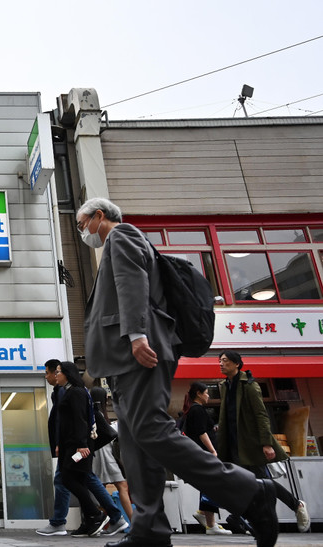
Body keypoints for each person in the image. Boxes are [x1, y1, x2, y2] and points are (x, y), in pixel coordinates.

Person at [77, 196, 279, 547]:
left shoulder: (122, 235)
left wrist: (136, 334)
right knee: (138, 444)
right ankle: (149, 531)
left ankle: (250, 492)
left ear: (98, 216)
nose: (83, 233)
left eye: (82, 225)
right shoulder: (123, 242)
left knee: (150, 431)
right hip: (127, 358)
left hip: (139, 352)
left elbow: (131, 282)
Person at [216, 351, 310, 533]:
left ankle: (296, 505)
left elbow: (261, 415)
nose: (220, 364)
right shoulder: (224, 386)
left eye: (225, 361)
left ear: (237, 364)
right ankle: (244, 518)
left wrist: (266, 443)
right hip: (233, 444)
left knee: (262, 481)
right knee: (243, 483)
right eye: (219, 361)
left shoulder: (250, 386)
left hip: (250, 443)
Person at [54, 361, 127, 538]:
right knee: (77, 478)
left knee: (68, 478)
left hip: (79, 448)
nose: (56, 375)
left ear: (67, 373)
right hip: (72, 445)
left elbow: (80, 419)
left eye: (58, 372)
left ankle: (96, 514)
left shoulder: (76, 393)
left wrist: (81, 444)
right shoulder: (70, 391)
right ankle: (92, 519)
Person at [181, 382, 231, 535]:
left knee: (209, 485)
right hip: (205, 453)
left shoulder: (193, 410)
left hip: (200, 453)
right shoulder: (197, 410)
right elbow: (202, 433)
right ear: (198, 393)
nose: (208, 395)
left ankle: (206, 518)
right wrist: (212, 450)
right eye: (206, 392)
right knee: (211, 485)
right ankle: (209, 522)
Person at [36, 359, 72, 536]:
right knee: (83, 480)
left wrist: (60, 441)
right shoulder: (61, 392)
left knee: (62, 480)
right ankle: (107, 515)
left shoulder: (63, 392)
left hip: (68, 444)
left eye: (49, 372)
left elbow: (62, 419)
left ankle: (58, 522)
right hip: (70, 444)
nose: (48, 376)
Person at [90, 385, 133, 525]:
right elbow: (110, 433)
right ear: (105, 399)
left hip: (95, 456)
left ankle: (103, 523)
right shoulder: (101, 414)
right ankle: (133, 522)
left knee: (99, 489)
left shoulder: (91, 413)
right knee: (122, 486)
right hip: (106, 456)